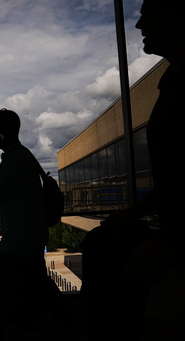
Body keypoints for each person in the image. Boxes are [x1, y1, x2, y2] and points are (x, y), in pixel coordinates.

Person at [103, 0, 185, 338]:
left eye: (147, 13)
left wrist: (170, 240)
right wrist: (135, 211)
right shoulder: (172, 80)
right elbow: (176, 179)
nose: (138, 25)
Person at [0, 108, 81, 338]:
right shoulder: (20, 157)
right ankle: (73, 326)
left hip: (18, 243)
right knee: (42, 290)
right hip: (27, 240)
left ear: (1, 133)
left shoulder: (16, 160)